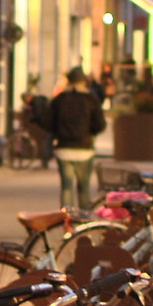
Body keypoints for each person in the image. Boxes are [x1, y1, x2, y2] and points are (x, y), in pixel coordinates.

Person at [49, 66, 108, 208]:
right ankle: (84, 220)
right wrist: (91, 133)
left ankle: (66, 219)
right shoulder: (91, 100)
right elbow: (100, 124)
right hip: (84, 148)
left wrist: (59, 133)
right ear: (84, 82)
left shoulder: (60, 100)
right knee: (84, 187)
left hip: (63, 148)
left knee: (66, 187)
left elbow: (48, 122)